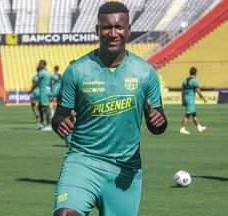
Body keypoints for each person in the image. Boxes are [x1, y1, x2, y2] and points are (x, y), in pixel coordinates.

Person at [51, 2, 168, 215]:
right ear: (97, 30)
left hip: (125, 170)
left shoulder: (145, 73)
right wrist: (60, 122)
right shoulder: (76, 70)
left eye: (119, 27)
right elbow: (60, 114)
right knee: (65, 213)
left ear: (129, 30)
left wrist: (157, 120)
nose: (113, 33)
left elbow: (158, 123)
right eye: (106, 27)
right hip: (83, 160)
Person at [180, 67, 207, 134]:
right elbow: (198, 91)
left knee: (194, 114)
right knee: (187, 114)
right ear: (196, 73)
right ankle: (183, 128)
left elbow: (182, 91)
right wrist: (203, 98)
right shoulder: (194, 81)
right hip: (190, 99)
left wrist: (183, 100)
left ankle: (199, 127)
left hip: (186, 98)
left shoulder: (185, 80)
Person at [29, 60, 52, 131]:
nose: (39, 65)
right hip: (47, 90)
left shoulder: (41, 73)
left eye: (40, 64)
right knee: (40, 106)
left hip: (43, 91)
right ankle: (42, 123)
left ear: (44, 65)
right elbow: (51, 82)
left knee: (45, 107)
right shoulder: (48, 72)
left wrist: (31, 90)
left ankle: (48, 125)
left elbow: (37, 82)